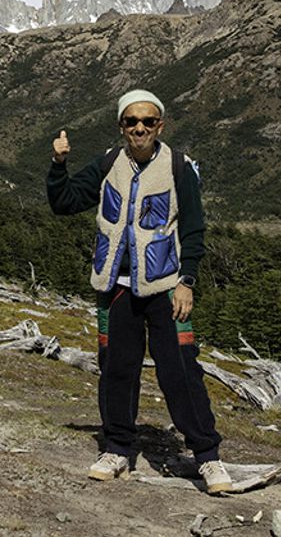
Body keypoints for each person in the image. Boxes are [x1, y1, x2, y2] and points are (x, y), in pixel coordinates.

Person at [46, 88, 232, 493]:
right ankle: (117, 449)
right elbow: (64, 203)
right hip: (116, 287)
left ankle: (208, 458)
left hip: (166, 289)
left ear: (160, 125)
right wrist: (59, 164)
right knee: (116, 369)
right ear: (121, 126)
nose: (140, 128)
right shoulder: (108, 164)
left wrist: (188, 281)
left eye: (148, 121)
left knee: (181, 372)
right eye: (132, 121)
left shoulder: (179, 168)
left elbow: (194, 229)